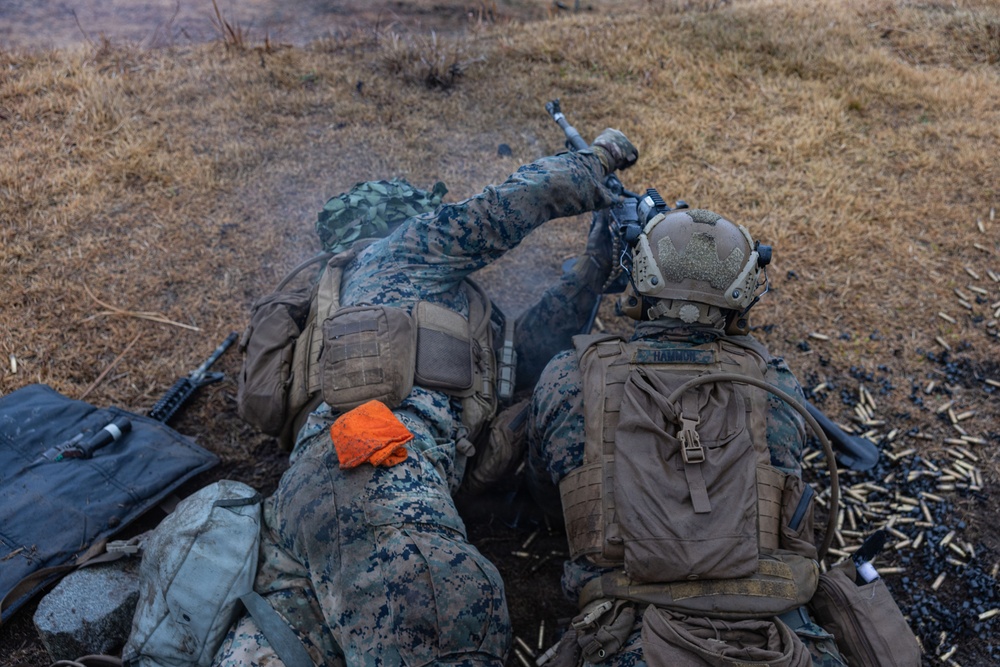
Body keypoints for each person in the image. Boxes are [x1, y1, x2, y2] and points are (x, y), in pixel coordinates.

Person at [213, 129, 640, 666]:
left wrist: (593, 266)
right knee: (454, 627)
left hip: (331, 496)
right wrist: (595, 160)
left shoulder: (438, 309)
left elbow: (526, 358)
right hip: (375, 472)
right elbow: (504, 206)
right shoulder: (400, 255)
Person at [526, 208, 849, 666]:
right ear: (741, 298)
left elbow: (546, 486)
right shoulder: (775, 383)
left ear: (639, 280)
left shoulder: (569, 376)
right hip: (773, 629)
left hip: (630, 628)